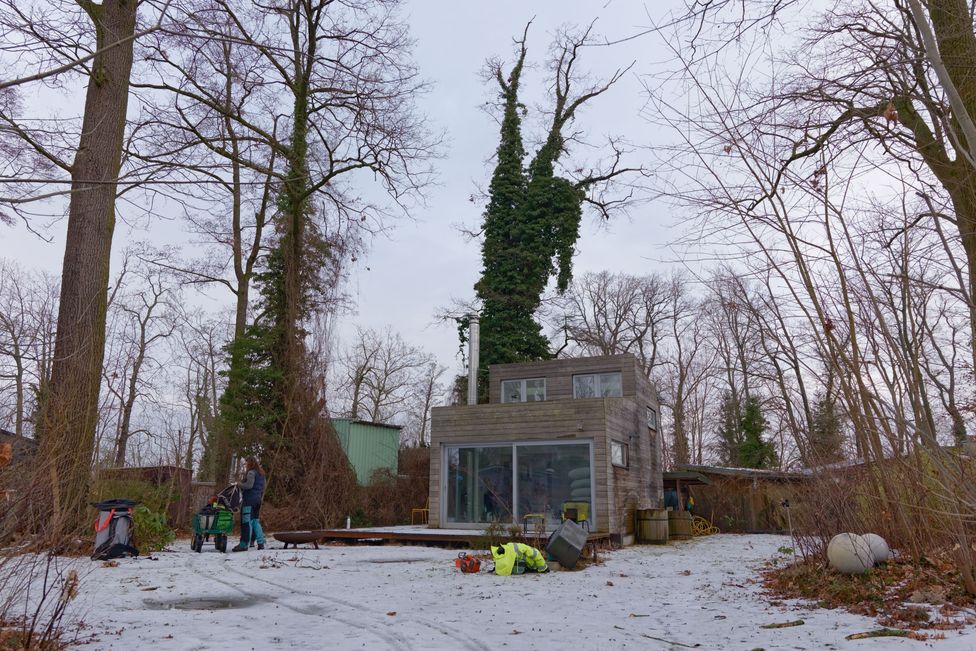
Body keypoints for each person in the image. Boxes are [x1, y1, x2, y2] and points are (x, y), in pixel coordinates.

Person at [232, 457, 266, 552]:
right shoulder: (262, 474)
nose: (245, 465)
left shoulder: (251, 473)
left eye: (246, 463)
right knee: (255, 521)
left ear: (250, 463)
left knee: (246, 522)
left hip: (249, 500)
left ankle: (244, 544)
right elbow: (263, 487)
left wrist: (239, 484)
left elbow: (249, 485)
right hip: (258, 500)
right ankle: (261, 542)